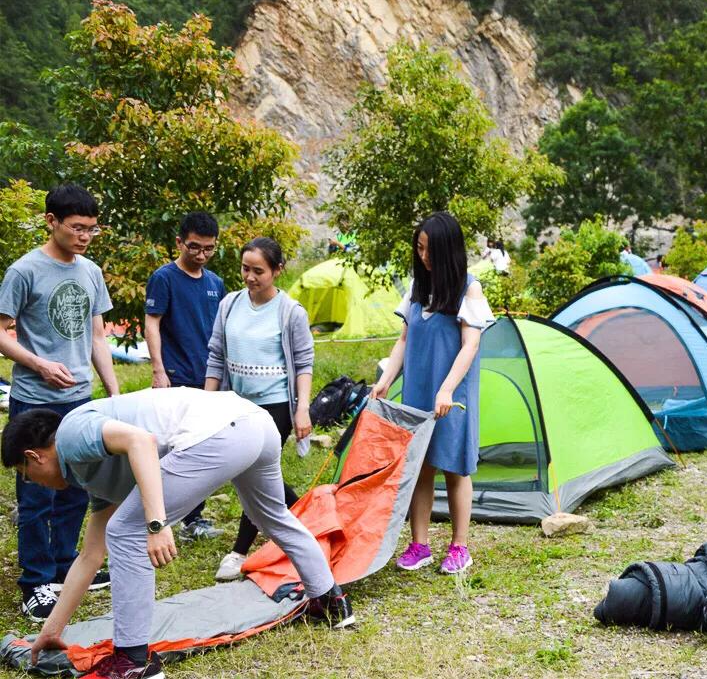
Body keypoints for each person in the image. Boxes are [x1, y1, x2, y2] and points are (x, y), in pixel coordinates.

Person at [2, 388, 353, 679]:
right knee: (273, 516)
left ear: (35, 456)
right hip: (255, 425)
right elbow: (91, 556)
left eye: (25, 473)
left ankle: (132, 662)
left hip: (221, 432)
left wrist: (156, 524)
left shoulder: (71, 434)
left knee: (126, 530)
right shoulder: (91, 470)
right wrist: (52, 630)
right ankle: (330, 600)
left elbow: (141, 441)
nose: (33, 482)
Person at [0, 184, 118, 622]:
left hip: (80, 399)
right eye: (77, 227)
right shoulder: (24, 271)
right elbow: (1, 331)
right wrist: (39, 364)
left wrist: (113, 391)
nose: (85, 236)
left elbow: (97, 336)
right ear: (51, 221)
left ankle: (66, 564)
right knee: (35, 495)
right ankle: (35, 581)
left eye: (92, 229)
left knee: (78, 487)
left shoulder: (91, 271)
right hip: (35, 401)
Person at [371, 212, 494, 575]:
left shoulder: (469, 289)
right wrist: (385, 378)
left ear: (448, 251)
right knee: (421, 467)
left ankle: (459, 547)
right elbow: (404, 339)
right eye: (419, 248)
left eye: (430, 250)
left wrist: (447, 389)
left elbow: (470, 345)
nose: (423, 257)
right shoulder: (417, 288)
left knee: (455, 468)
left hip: (451, 395)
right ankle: (419, 545)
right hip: (418, 391)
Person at [203, 237, 314, 582]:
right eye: (245, 269)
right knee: (253, 476)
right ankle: (307, 516)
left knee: (253, 473)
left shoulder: (290, 312)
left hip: (275, 406)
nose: (250, 277)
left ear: (277, 270)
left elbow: (304, 363)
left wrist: (303, 409)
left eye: (258, 271)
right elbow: (216, 355)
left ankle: (239, 552)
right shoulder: (229, 305)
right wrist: (206, 402)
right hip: (236, 402)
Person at [144, 212, 226, 543]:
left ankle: (194, 518)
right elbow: (152, 324)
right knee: (169, 449)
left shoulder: (215, 283)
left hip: (208, 379)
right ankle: (158, 516)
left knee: (200, 448)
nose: (201, 254)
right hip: (175, 376)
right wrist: (158, 370)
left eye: (208, 248)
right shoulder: (164, 278)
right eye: (194, 247)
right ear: (179, 242)